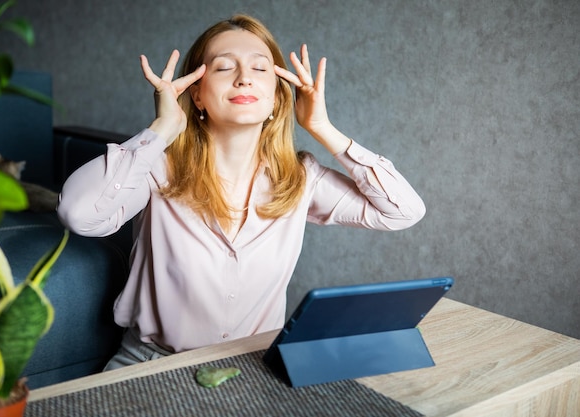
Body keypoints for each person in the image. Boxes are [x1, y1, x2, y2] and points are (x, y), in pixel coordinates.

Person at [57, 14, 426, 370]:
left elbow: (403, 211)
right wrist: (162, 129)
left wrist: (322, 127)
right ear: (197, 96)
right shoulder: (158, 167)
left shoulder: (300, 177)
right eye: (222, 67)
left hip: (252, 370)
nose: (244, 78)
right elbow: (79, 214)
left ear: (278, 99)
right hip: (149, 365)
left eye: (260, 68)